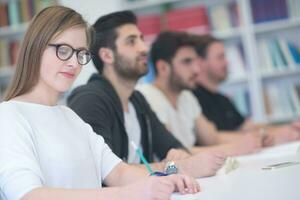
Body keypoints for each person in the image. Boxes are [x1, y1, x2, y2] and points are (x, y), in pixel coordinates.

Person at [0, 6, 200, 200]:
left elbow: (119, 173)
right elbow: (28, 195)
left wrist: (170, 178)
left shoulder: (70, 117)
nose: (74, 63)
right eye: (63, 50)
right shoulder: (8, 116)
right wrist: (126, 194)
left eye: (81, 54)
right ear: (36, 47)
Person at [67, 10, 225, 178]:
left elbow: (175, 149)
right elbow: (106, 173)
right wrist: (175, 167)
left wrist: (177, 161)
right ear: (107, 55)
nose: (144, 48)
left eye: (141, 39)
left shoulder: (137, 100)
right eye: (131, 42)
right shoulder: (90, 100)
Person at [138, 31, 263, 156]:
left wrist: (255, 138)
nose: (196, 70)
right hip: (169, 173)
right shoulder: (147, 97)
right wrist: (234, 148)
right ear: (163, 67)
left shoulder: (186, 96)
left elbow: (212, 139)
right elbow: (173, 152)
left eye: (195, 62)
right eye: (187, 62)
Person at [192, 34, 300, 146]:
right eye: (220, 57)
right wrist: (264, 136)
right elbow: (213, 138)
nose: (227, 62)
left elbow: (247, 127)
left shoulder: (222, 99)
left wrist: (288, 128)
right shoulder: (193, 99)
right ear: (200, 63)